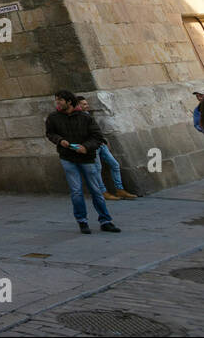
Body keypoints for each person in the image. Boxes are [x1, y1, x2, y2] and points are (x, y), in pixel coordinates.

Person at [46, 91, 121, 235]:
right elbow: (50, 133)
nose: (58, 103)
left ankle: (105, 220)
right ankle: (82, 221)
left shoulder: (85, 118)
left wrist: (85, 147)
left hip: (87, 158)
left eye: (60, 100)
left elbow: (97, 137)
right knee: (76, 192)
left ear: (69, 102)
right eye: (57, 100)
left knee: (96, 190)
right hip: (67, 157)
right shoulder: (53, 117)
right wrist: (60, 140)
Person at [76, 96, 137, 200]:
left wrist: (103, 141)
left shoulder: (87, 115)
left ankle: (120, 190)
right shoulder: (77, 118)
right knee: (97, 169)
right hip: (92, 146)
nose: (87, 106)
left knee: (115, 165)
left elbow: (96, 130)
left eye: (86, 104)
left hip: (100, 144)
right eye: (84, 104)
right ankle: (103, 191)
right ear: (78, 105)